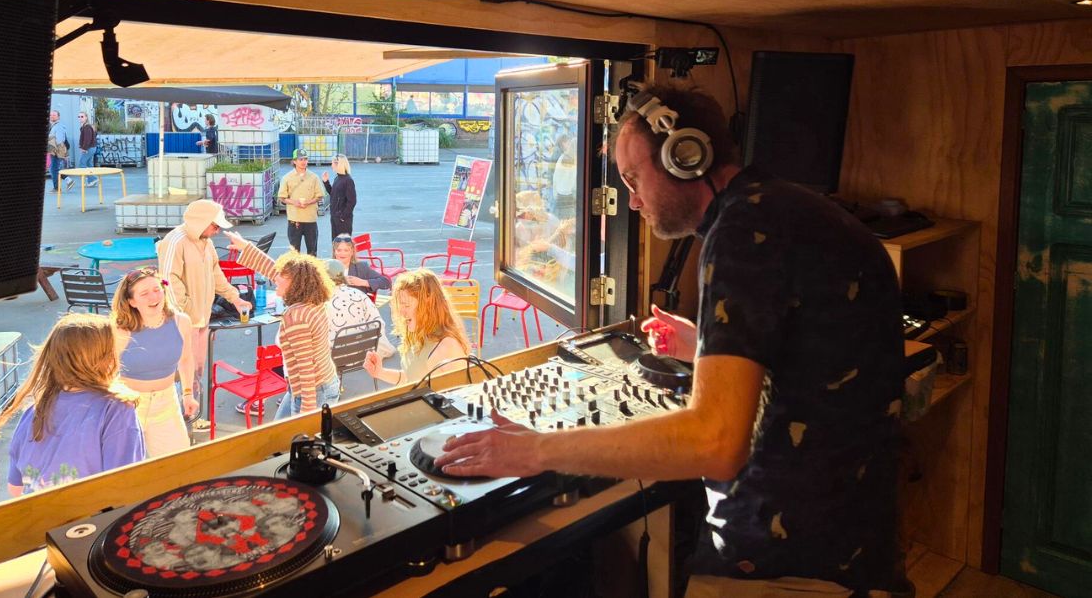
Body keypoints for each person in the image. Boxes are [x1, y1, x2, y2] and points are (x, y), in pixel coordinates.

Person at [436, 82, 906, 596]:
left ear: (688, 156)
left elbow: (714, 443)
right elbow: (815, 350)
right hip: (858, 542)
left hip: (790, 565)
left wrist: (539, 451)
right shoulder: (789, 206)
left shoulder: (743, 232)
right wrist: (704, 345)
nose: (632, 200)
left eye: (635, 178)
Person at [0, 314, 145, 496]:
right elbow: (125, 487)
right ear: (104, 357)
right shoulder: (116, 410)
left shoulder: (34, 410)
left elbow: (15, 488)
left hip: (39, 520)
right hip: (92, 523)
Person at [226, 230, 340, 418]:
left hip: (310, 392)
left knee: (299, 443)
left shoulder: (297, 317)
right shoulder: (313, 299)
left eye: (281, 278)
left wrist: (307, 411)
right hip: (316, 385)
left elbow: (306, 366)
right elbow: (278, 271)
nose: (275, 278)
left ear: (296, 284)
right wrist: (247, 248)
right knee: (281, 435)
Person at [157, 199, 252, 386]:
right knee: (182, 375)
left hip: (202, 318)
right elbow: (168, 280)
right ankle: (183, 412)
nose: (217, 231)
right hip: (183, 321)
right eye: (215, 226)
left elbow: (216, 274)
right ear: (201, 222)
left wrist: (235, 299)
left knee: (198, 372)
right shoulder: (174, 241)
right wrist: (186, 311)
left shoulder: (206, 242)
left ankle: (195, 410)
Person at [111, 267, 198, 458]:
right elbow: (106, 375)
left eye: (157, 289)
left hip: (167, 403)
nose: (154, 297)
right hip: (129, 407)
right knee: (127, 469)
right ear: (132, 302)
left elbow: (186, 359)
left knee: (178, 463)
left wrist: (188, 394)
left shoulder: (181, 321)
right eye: (144, 293)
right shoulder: (120, 331)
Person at [362, 269, 470, 386]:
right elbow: (411, 378)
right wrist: (380, 373)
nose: (401, 312)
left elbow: (458, 397)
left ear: (428, 304)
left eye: (406, 305)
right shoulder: (419, 333)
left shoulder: (447, 347)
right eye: (400, 305)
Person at [323, 259, 396, 359]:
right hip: (363, 352)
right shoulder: (358, 294)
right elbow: (377, 323)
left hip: (337, 357)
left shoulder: (319, 301)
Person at [278, 148, 323, 256]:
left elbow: (320, 196)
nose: (303, 162)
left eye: (305, 159)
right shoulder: (287, 178)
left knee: (312, 252)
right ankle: (296, 273)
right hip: (294, 220)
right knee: (294, 253)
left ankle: (311, 272)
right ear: (294, 161)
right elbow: (282, 197)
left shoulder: (314, 177)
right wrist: (294, 202)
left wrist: (309, 202)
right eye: (300, 159)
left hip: (310, 219)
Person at [321, 154, 357, 239]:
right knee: (335, 244)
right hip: (335, 217)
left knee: (343, 244)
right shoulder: (337, 178)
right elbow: (333, 194)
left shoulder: (348, 180)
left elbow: (352, 201)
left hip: (342, 220)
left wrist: (343, 216)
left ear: (338, 164)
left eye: (332, 163)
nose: (331, 165)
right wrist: (326, 182)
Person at [47, 109, 72, 192]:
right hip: (53, 150)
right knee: (54, 169)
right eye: (51, 115)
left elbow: (60, 140)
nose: (52, 116)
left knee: (54, 169)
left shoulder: (59, 126)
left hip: (56, 150)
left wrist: (56, 151)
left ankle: (57, 188)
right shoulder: (53, 125)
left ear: (58, 117)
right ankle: (68, 180)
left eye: (54, 115)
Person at [78, 111, 98, 187]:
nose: (80, 118)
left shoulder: (87, 127)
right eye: (79, 117)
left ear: (86, 117)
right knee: (89, 164)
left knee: (82, 164)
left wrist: (84, 148)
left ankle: (93, 178)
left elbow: (87, 139)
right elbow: (94, 135)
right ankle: (91, 181)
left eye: (82, 116)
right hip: (92, 148)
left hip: (89, 148)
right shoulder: (87, 126)